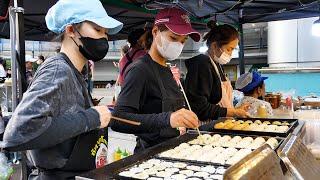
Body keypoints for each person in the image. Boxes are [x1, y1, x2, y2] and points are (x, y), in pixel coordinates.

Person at [1, 1, 197, 179]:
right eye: (97, 29)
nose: (104, 38)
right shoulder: (57, 69)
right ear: (71, 30)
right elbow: (18, 134)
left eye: (105, 32)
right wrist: (91, 118)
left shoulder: (76, 72)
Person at [113, 7, 201, 152]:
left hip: (174, 150)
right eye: (173, 38)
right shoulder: (140, 70)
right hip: (150, 154)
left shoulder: (167, 69)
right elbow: (118, 119)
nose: (178, 45)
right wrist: (168, 119)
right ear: (155, 32)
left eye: (183, 41)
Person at [184, 21, 249, 122]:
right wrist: (233, 112)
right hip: (205, 126)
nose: (231, 54)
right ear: (214, 46)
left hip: (221, 122)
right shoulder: (202, 64)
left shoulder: (217, 65)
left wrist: (235, 110)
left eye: (233, 50)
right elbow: (199, 107)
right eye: (229, 49)